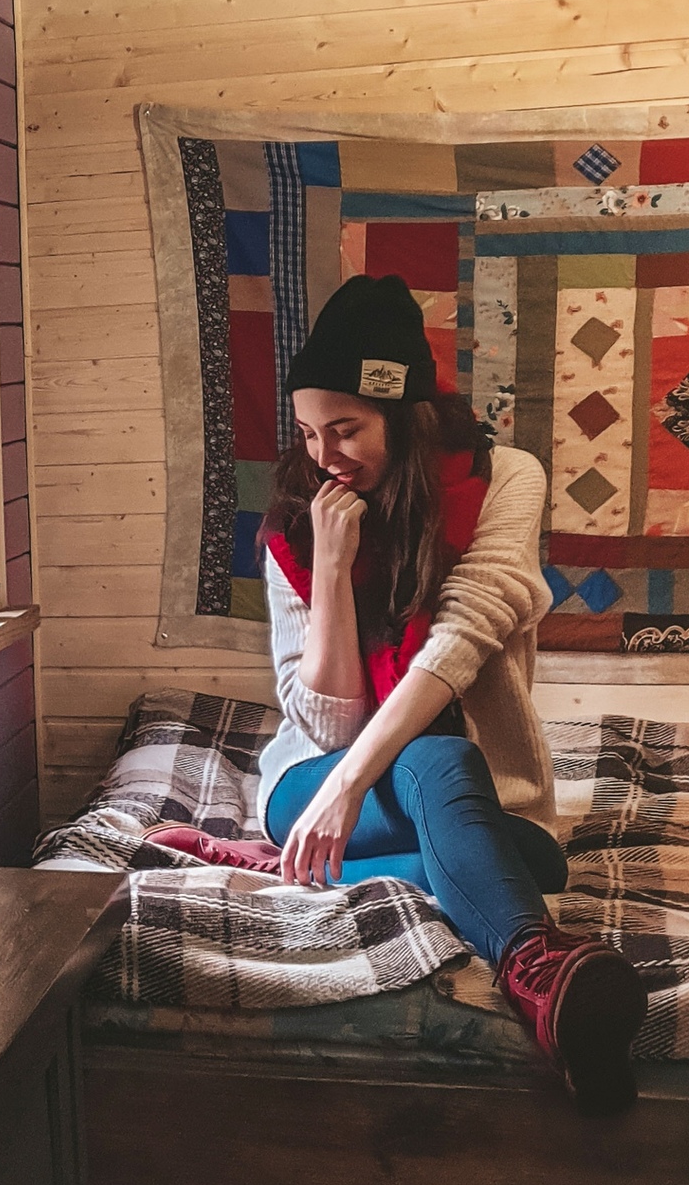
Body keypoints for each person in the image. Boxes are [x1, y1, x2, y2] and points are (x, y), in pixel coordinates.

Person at [149, 273, 646, 1112]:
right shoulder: (297, 525)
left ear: (406, 416)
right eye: (308, 432)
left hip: (404, 787)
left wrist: (352, 787)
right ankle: (538, 968)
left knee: (534, 854)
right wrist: (333, 568)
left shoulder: (506, 481)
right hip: (311, 775)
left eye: (345, 429)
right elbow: (329, 720)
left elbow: (463, 637)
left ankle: (291, 869)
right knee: (447, 774)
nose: (323, 456)